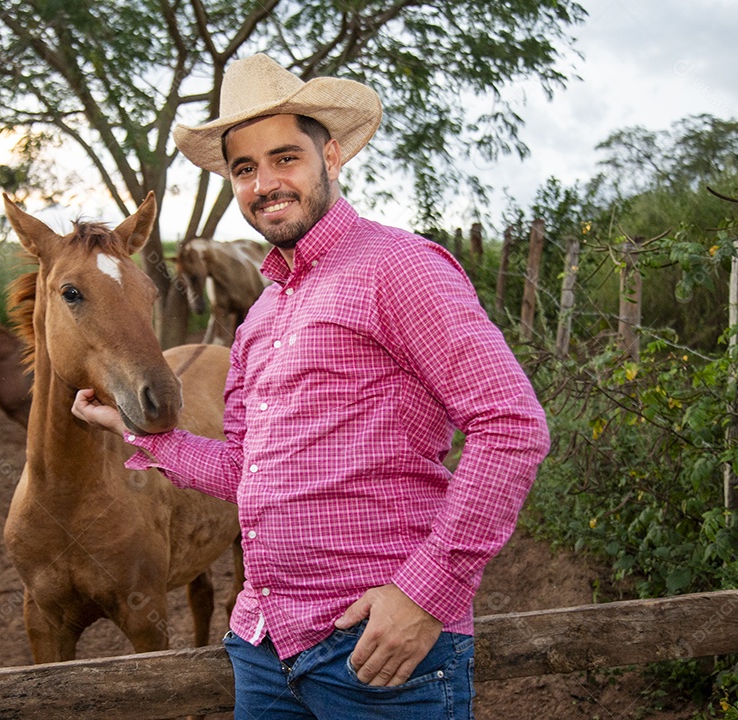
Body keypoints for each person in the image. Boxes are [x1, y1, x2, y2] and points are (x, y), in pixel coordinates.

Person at [72, 53, 550, 720]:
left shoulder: (400, 268)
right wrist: (128, 431)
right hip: (265, 649)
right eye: (245, 168)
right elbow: (246, 469)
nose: (266, 182)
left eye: (285, 158)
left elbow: (512, 425)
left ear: (331, 157)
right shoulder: (263, 315)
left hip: (378, 649)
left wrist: (428, 593)